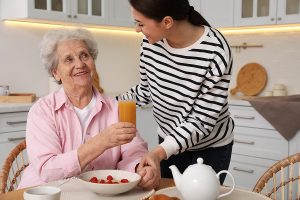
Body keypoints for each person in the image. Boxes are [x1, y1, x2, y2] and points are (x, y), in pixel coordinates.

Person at [18, 28, 159, 189]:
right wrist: (100, 143)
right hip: (46, 194)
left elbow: (133, 152)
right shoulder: (42, 111)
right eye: (69, 59)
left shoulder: (115, 107)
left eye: (84, 55)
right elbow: (47, 170)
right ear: (56, 72)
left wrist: (139, 169)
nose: (80, 64)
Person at [126, 0, 234, 184]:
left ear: (167, 22)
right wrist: (106, 103)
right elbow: (145, 91)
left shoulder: (215, 50)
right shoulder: (149, 43)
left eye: (141, 23)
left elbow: (201, 121)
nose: (137, 29)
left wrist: (160, 152)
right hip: (168, 142)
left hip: (210, 147)